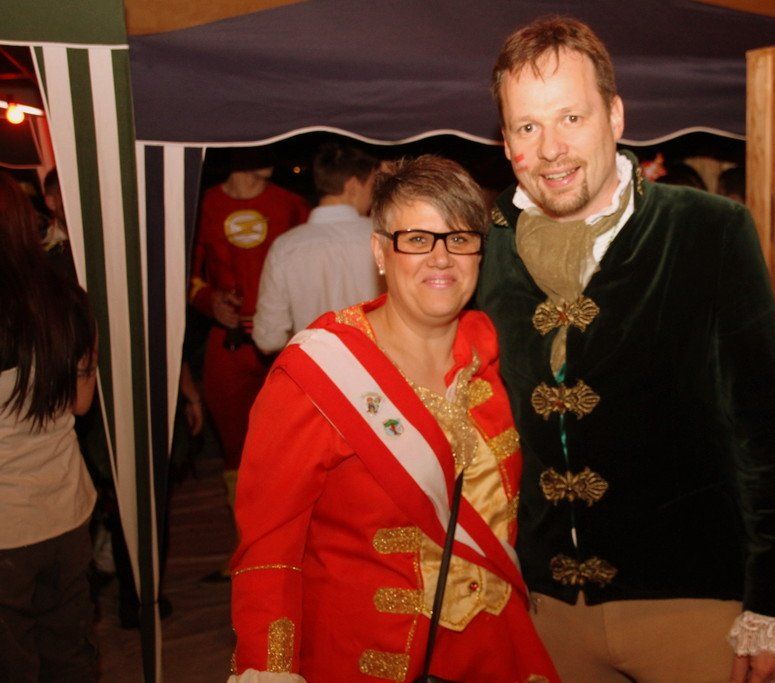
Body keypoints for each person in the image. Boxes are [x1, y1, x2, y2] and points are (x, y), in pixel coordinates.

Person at [477, 16, 775, 683]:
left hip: (693, 606)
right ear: (507, 141)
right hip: (546, 612)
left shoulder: (708, 230)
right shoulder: (484, 251)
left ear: (614, 115)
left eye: (571, 117)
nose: (551, 148)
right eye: (528, 127)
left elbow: (768, 432)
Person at [229, 156, 559, 682]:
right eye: (417, 240)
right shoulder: (315, 374)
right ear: (380, 251)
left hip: (496, 655)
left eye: (459, 239)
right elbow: (269, 554)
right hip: (368, 662)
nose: (441, 258)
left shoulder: (490, 348)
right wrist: (269, 669)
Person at [189, 146, 308, 574]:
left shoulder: (291, 204)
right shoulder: (203, 205)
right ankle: (249, 548)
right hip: (230, 344)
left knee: (294, 447)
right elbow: (184, 272)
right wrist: (207, 300)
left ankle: (296, 545)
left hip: (284, 346)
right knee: (236, 450)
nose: (273, 148)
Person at [0, 171, 99, 680]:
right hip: (65, 508)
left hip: (7, 527)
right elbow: (81, 403)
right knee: (69, 653)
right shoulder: (68, 300)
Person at [252, 143, 381, 354]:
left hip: (313, 367)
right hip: (374, 364)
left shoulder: (285, 246)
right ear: (352, 185)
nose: (373, 195)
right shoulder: (382, 236)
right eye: (372, 185)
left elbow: (268, 339)